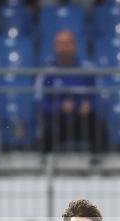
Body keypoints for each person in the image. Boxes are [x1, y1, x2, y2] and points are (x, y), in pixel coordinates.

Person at [36, 30, 108, 161]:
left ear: (74, 45)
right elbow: (40, 99)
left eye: (67, 43)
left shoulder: (88, 69)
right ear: (55, 47)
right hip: (58, 119)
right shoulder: (47, 72)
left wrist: (89, 105)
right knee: (47, 126)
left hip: (82, 118)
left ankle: (98, 162)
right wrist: (58, 107)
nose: (64, 47)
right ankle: (45, 163)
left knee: (99, 124)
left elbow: (100, 94)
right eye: (60, 44)